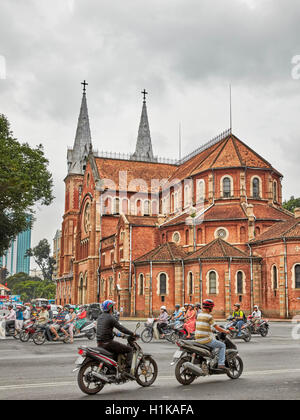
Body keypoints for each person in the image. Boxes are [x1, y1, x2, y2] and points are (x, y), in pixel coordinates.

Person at [96, 300, 138, 378]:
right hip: (108, 343)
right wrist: (133, 334)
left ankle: (115, 370)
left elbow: (106, 329)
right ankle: (128, 371)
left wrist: (118, 334)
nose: (113, 308)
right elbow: (121, 328)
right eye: (112, 307)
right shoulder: (110, 318)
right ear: (110, 308)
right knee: (129, 349)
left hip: (99, 343)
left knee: (117, 351)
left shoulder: (100, 317)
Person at [195, 299, 230, 370]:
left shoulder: (199, 315)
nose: (212, 309)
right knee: (222, 345)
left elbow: (203, 325)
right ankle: (221, 364)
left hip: (197, 338)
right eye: (212, 307)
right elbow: (217, 327)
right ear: (210, 307)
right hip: (205, 340)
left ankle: (209, 361)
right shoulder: (209, 317)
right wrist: (226, 331)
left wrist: (210, 330)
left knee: (213, 346)